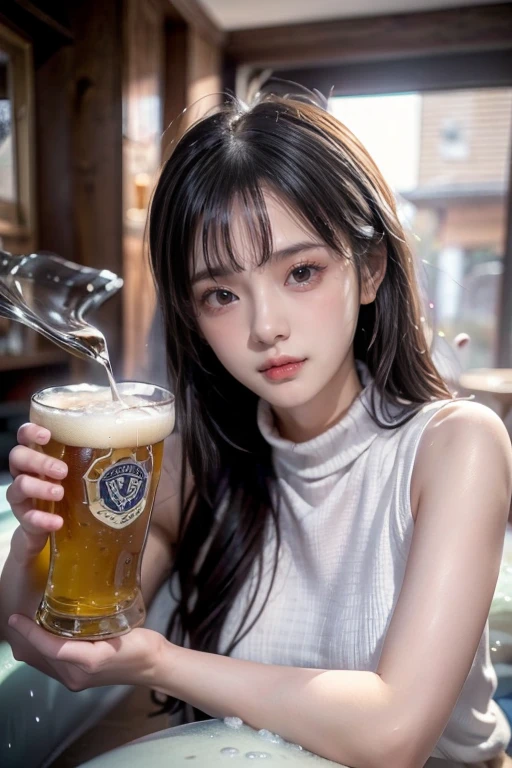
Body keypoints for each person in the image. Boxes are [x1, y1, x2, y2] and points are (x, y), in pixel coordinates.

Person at [2, 91, 512, 768]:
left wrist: (162, 663)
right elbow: (60, 640)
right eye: (222, 293)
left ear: (369, 269)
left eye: (301, 272)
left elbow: (395, 733)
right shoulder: (192, 464)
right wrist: (35, 544)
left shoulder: (456, 446)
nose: (265, 326)